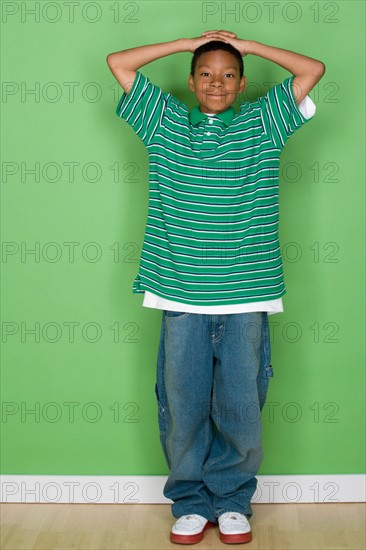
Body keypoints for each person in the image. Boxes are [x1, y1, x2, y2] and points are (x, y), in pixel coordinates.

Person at [106, 30, 325, 545]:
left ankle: (231, 501)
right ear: (190, 80)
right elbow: (118, 62)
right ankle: (189, 500)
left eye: (229, 74)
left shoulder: (264, 122)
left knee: (240, 404)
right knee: (182, 403)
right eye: (206, 73)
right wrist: (189, 42)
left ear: (243, 83)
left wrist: (245, 45)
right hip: (179, 291)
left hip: (248, 292)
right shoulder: (162, 121)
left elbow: (311, 69)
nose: (217, 82)